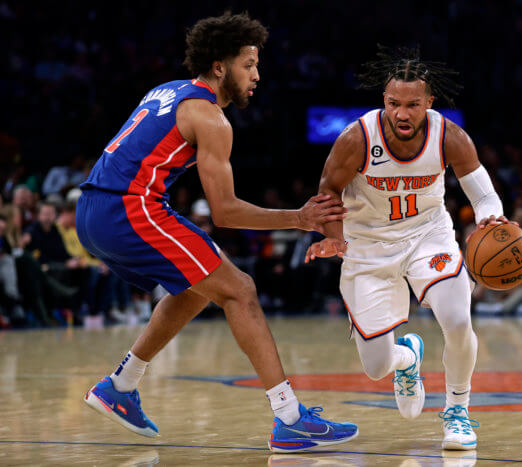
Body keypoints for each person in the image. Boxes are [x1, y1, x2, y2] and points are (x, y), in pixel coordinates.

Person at [76, 12, 357, 452]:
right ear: (221, 66)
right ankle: (290, 419)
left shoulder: (166, 90)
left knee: (193, 289)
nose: (257, 75)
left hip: (93, 207)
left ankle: (121, 386)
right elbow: (224, 212)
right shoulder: (211, 118)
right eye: (249, 64)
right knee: (240, 289)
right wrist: (299, 218)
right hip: (128, 210)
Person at [304, 46, 514, 450]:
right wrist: (333, 236)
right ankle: (407, 359)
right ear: (383, 100)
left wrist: (491, 219)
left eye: (413, 104)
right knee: (376, 367)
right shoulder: (357, 138)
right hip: (367, 243)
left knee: (456, 319)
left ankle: (457, 411)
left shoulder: (449, 136)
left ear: (429, 102)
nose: (402, 113)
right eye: (393, 103)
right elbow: (328, 190)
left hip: (427, 235)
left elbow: (483, 196)